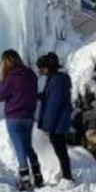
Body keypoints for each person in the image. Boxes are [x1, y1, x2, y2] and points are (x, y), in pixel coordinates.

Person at [0, 49, 44, 191]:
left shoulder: (11, 77)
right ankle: (37, 175)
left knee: (20, 148)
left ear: (6, 63)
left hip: (14, 117)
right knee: (28, 146)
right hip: (28, 116)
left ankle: (25, 179)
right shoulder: (30, 74)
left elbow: (0, 96)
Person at [36, 52, 74, 181]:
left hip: (58, 121)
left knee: (60, 148)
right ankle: (66, 174)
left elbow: (54, 103)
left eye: (43, 68)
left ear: (48, 67)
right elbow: (51, 97)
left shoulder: (56, 80)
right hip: (60, 120)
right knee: (60, 147)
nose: (42, 71)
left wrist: (48, 124)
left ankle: (67, 176)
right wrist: (40, 96)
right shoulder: (56, 79)